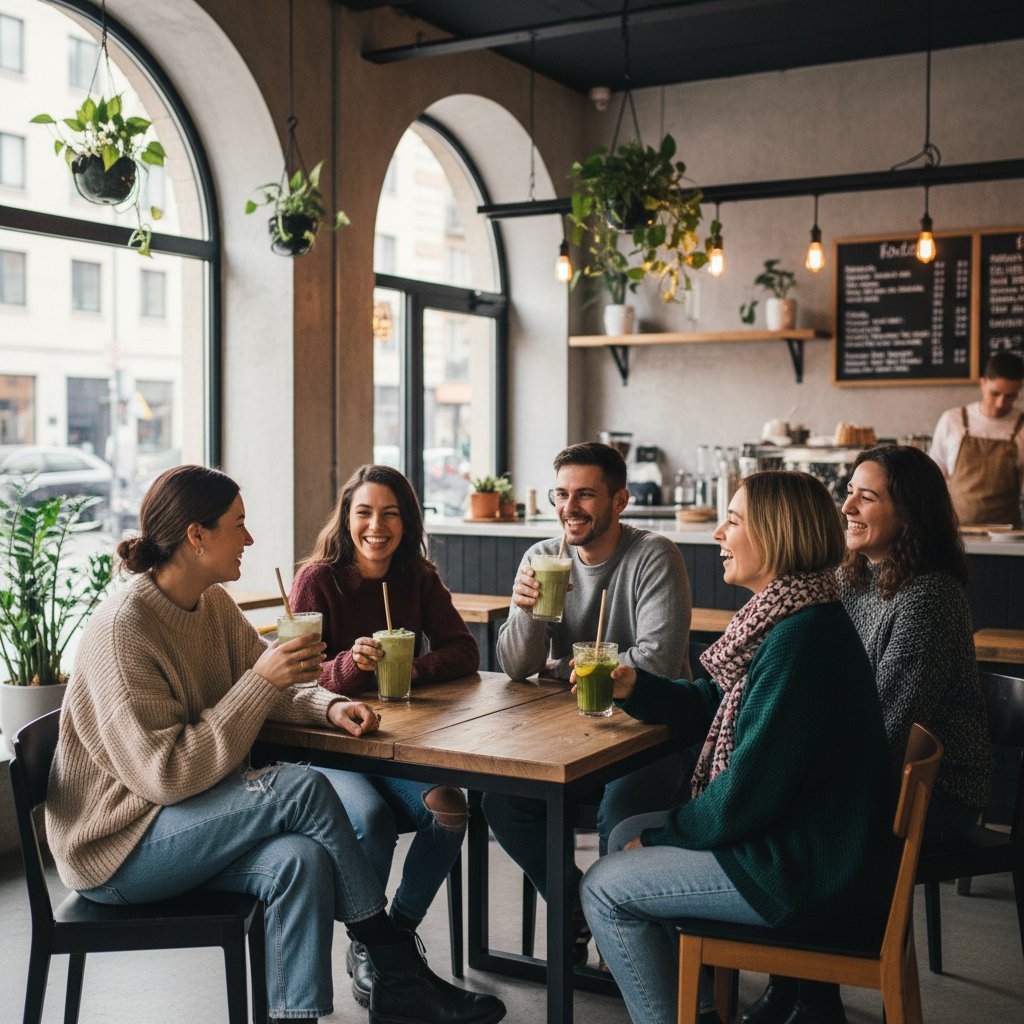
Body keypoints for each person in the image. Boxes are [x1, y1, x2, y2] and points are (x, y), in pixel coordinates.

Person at [45, 464, 504, 1024]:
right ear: (197, 535)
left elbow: (274, 689)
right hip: (120, 847)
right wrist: (263, 679)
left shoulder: (210, 604)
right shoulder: (126, 630)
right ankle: (395, 967)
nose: (250, 538)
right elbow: (165, 774)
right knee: (301, 788)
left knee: (302, 860)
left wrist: (329, 705)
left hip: (178, 820)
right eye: (238, 524)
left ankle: (300, 1014)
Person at [580, 471, 896, 1024]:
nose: (717, 535)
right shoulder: (794, 615)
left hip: (807, 870)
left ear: (775, 535)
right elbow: (719, 703)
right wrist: (639, 687)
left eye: (733, 521)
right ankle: (695, 1008)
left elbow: (746, 796)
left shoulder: (800, 639)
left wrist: (663, 837)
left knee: (605, 887)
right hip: (811, 844)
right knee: (626, 831)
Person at [741, 446, 993, 1024]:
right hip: (871, 771)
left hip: (937, 792)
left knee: (801, 823)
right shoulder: (847, 578)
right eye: (848, 490)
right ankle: (793, 986)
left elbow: (892, 724)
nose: (846, 505)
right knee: (782, 806)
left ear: (909, 514)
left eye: (867, 496)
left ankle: (814, 998)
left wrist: (802, 772)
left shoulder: (928, 596)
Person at [483, 440, 694, 965]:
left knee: (619, 811)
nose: (569, 507)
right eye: (561, 494)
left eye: (585, 494)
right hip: (570, 736)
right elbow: (514, 665)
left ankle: (630, 951)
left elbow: (658, 663)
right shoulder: (541, 558)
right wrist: (529, 613)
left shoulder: (653, 555)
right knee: (501, 800)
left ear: (619, 501)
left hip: (654, 735)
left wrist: (561, 667)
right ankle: (579, 908)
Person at [290, 463, 478, 1006]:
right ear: (347, 519)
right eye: (365, 513)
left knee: (451, 810)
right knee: (368, 820)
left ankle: (391, 938)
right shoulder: (318, 580)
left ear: (407, 521)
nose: (377, 526)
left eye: (390, 513)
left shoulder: (416, 576)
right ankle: (366, 944)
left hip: (397, 741)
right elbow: (297, 677)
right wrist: (350, 668)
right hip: (328, 746)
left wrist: (406, 669)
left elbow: (463, 649)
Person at [930, 349, 1024, 526]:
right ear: (982, 383)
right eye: (995, 393)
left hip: (1007, 533)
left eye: (1010, 396)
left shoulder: (1022, 426)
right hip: (955, 530)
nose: (1001, 403)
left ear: (1020, 388)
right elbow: (935, 476)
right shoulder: (953, 420)